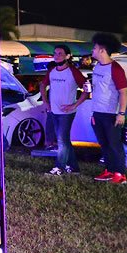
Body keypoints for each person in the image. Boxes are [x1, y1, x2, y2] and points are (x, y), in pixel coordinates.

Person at [39, 45, 89, 175]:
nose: (57, 56)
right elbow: (42, 85)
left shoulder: (73, 71)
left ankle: (59, 167)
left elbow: (87, 89)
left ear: (68, 56)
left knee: (61, 140)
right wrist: (46, 102)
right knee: (64, 140)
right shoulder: (52, 71)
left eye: (60, 53)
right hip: (54, 111)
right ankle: (73, 167)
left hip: (67, 113)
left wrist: (74, 105)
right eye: (55, 53)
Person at [88, 32, 127, 184]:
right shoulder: (98, 66)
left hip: (111, 114)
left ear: (102, 50)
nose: (92, 50)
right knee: (104, 144)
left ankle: (120, 175)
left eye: (94, 48)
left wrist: (121, 113)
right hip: (97, 113)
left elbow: (123, 92)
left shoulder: (115, 68)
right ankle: (109, 171)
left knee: (115, 145)